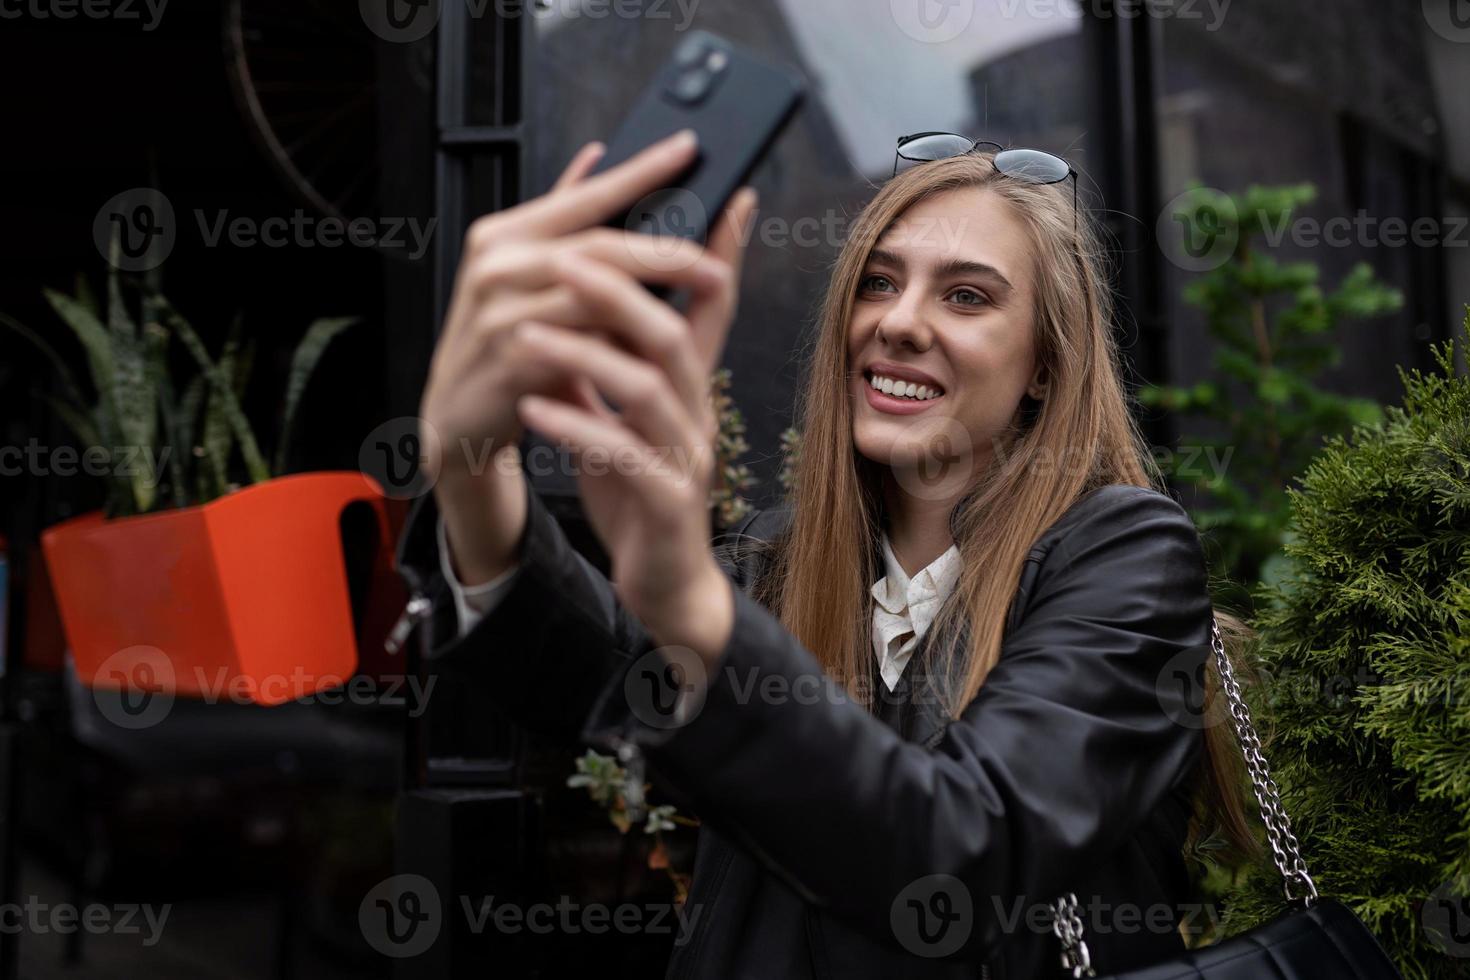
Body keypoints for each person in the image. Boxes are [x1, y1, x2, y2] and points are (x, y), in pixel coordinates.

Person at [395, 129, 1254, 978]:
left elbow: (959, 856)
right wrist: (474, 467)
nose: (901, 322)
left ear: (1043, 364)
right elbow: (589, 662)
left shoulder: (1125, 560)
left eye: (967, 297)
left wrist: (690, 596)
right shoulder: (776, 559)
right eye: (878, 282)